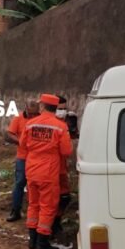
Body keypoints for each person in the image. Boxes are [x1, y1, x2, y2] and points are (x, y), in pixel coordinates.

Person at [19, 94, 72, 249]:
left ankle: (32, 240)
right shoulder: (60, 126)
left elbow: (22, 144)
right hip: (48, 172)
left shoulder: (30, 124)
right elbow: (66, 151)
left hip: (31, 170)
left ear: (42, 106)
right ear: (55, 108)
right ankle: (42, 243)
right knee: (48, 207)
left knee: (33, 204)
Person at [4, 99, 39, 222]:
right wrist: (20, 141)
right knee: (20, 183)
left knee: (34, 185)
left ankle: (34, 212)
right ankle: (15, 210)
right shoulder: (18, 119)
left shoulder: (40, 119)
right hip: (23, 158)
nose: (33, 116)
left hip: (37, 158)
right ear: (25, 108)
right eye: (31, 113)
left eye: (35, 113)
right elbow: (9, 134)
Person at [52, 95, 73, 236]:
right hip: (51, 168)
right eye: (60, 109)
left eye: (64, 109)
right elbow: (66, 150)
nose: (63, 111)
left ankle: (56, 221)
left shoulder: (67, 122)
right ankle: (51, 225)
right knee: (52, 199)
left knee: (64, 197)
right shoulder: (54, 125)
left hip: (62, 167)